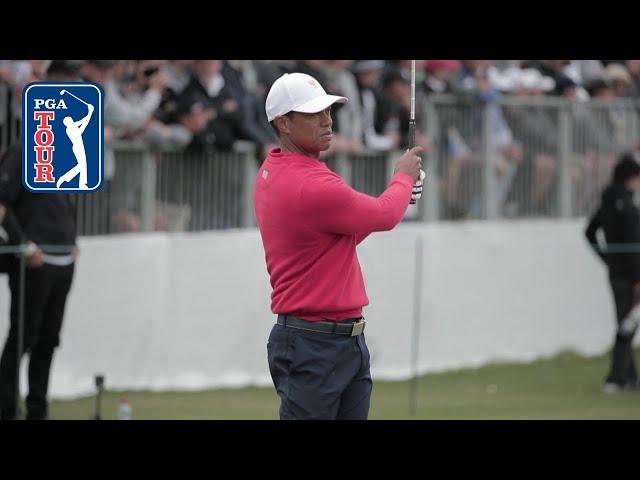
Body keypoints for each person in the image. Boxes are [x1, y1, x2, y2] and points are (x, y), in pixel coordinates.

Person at [254, 72, 423, 420]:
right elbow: (382, 215)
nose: (327, 120)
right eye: (313, 113)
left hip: (335, 341)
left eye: (328, 110)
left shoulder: (277, 169)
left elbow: (343, 233)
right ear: (283, 123)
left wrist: (400, 194)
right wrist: (403, 178)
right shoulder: (311, 183)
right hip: (313, 344)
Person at [0, 143, 78, 420]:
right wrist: (23, 245)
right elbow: (2, 204)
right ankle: (6, 409)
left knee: (48, 340)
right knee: (22, 337)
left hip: (63, 260)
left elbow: (67, 201)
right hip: (34, 262)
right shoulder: (21, 151)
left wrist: (73, 240)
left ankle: (38, 410)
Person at [585, 153, 640, 393]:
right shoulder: (627, 206)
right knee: (627, 326)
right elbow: (633, 244)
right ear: (631, 178)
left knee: (624, 323)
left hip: (615, 272)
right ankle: (616, 378)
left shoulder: (607, 203)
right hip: (630, 276)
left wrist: (607, 258)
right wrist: (638, 277)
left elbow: (590, 232)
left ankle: (628, 376)